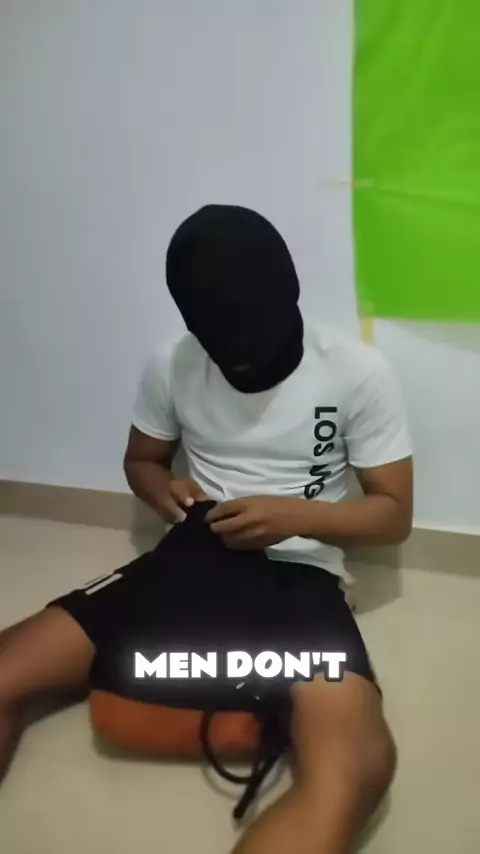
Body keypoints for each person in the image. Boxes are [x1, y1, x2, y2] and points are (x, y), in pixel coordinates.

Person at [0, 205, 413, 854]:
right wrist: (163, 490)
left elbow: (393, 514)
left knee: (358, 764)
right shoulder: (172, 362)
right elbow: (143, 461)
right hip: (195, 549)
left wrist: (296, 516)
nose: (240, 359)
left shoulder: (356, 371)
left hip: (300, 574)